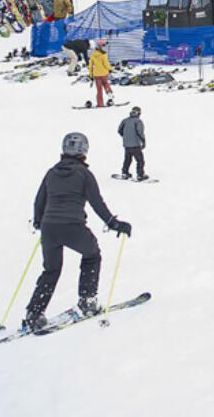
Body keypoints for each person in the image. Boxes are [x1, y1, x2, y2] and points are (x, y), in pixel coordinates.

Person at [21, 132, 132, 331]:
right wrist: (115, 224)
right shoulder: (84, 174)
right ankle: (88, 301)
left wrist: (39, 222)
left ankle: (34, 312)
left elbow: (39, 200)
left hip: (49, 228)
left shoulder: (51, 172)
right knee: (92, 254)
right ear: (84, 151)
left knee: (51, 269)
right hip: (72, 226)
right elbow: (97, 203)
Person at [117, 107, 147, 181]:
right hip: (135, 144)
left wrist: (126, 137)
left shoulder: (125, 120)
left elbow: (119, 130)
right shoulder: (138, 121)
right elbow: (140, 132)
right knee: (140, 160)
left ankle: (125, 172)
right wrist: (143, 141)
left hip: (126, 144)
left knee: (127, 159)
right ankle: (140, 175)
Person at [88, 39, 113, 108]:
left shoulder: (93, 55)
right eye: (104, 45)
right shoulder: (103, 55)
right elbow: (105, 64)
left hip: (96, 75)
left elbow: (90, 66)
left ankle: (100, 104)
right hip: (104, 73)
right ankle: (108, 91)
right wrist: (110, 69)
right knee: (105, 84)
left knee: (99, 90)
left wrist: (91, 75)